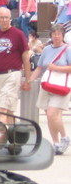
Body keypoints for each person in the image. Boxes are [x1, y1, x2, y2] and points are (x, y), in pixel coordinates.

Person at [28, 24, 71, 155]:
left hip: (61, 85)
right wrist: (29, 80)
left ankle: (64, 137)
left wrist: (56, 68)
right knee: (50, 115)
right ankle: (56, 143)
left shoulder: (68, 49)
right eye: (54, 34)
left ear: (62, 35)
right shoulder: (46, 49)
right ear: (51, 36)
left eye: (58, 34)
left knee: (53, 113)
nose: (56, 36)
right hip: (47, 84)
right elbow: (40, 67)